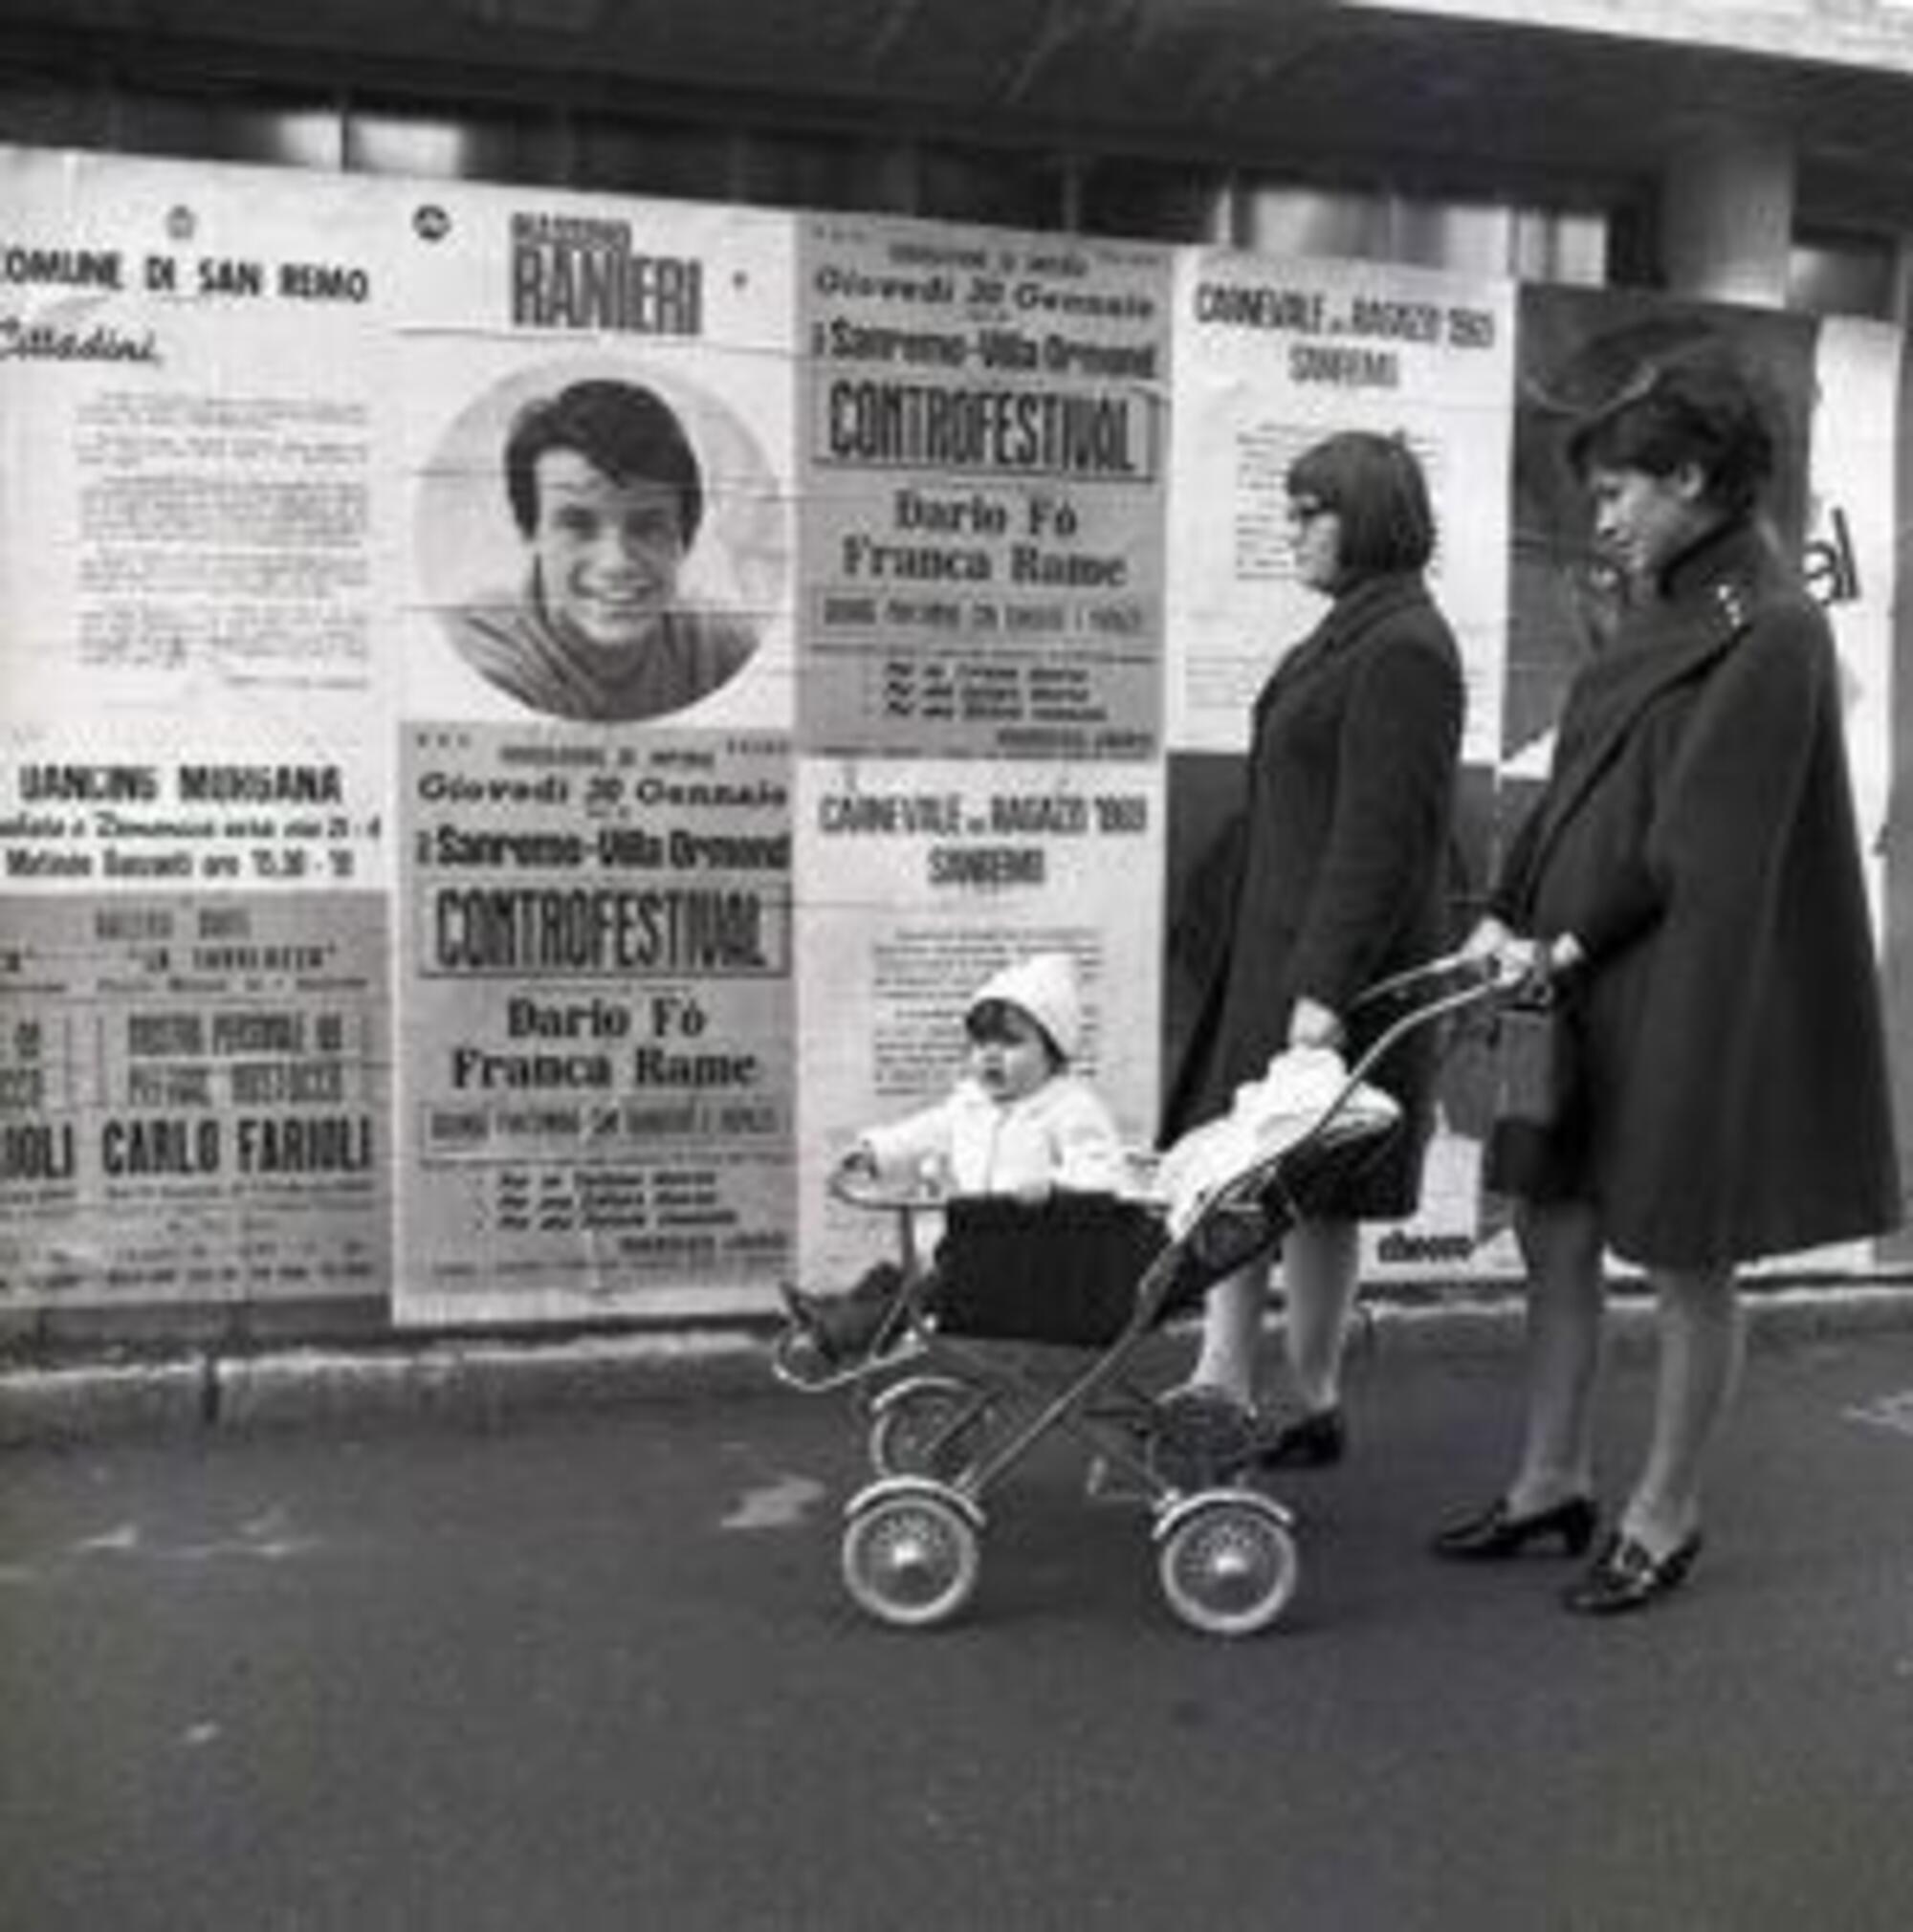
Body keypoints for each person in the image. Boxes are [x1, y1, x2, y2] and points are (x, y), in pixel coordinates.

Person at [1432, 344, 1900, 1614]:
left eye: (1620, 491)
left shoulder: (1776, 625)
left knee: (1690, 1257)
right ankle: (1550, 1482)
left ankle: (1665, 1511)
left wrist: (1559, 941)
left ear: (1693, 478)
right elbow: (1575, 781)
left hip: (1674, 986)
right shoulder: (1662, 605)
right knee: (1554, 1225)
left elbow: (1697, 844)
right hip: (1576, 964)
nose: (1604, 517)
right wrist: (1505, 914)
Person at [1157, 430, 1465, 1470]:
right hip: (1284, 959)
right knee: (1279, 1186)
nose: (1288, 530)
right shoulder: (1352, 634)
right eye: (1286, 509)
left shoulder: (1403, 648)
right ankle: (1268, 1389)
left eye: (1307, 511)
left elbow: (1377, 840)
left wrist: (1322, 991)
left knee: (1276, 1183)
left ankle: (1259, 1389)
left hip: (1325, 971)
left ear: (1367, 515)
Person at [781, 952, 1129, 1365]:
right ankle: (831, 1312)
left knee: (933, 1288)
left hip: (1040, 1261)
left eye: (1011, 1042)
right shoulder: (972, 1105)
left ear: (1053, 1051)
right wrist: (876, 1151)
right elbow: (926, 1131)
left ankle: (843, 1333)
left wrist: (1056, 1187)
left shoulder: (1069, 1107)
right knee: (893, 1275)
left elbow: (1104, 1170)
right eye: (981, 1043)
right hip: (979, 1247)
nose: (991, 1055)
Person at [449, 377, 758, 722]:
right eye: (577, 525)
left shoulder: (720, 647)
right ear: (530, 531)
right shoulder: (483, 662)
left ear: (683, 537)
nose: (616, 563)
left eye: (647, 526)